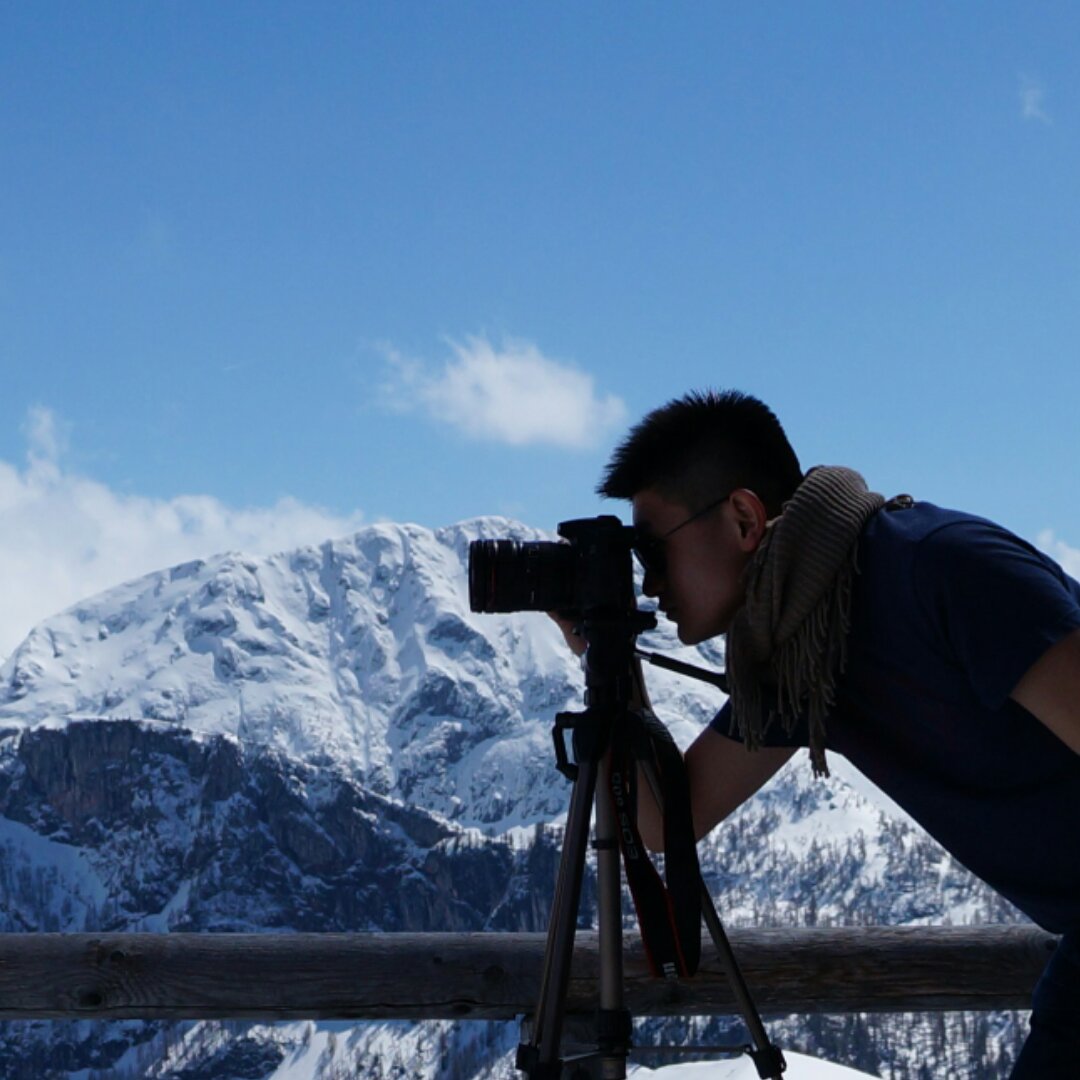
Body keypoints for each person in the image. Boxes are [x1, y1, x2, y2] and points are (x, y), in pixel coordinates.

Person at [557, 389, 1080, 1078]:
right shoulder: (805, 645)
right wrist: (604, 648)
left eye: (652, 551)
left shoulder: (943, 568)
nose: (649, 584)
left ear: (744, 517)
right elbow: (661, 822)